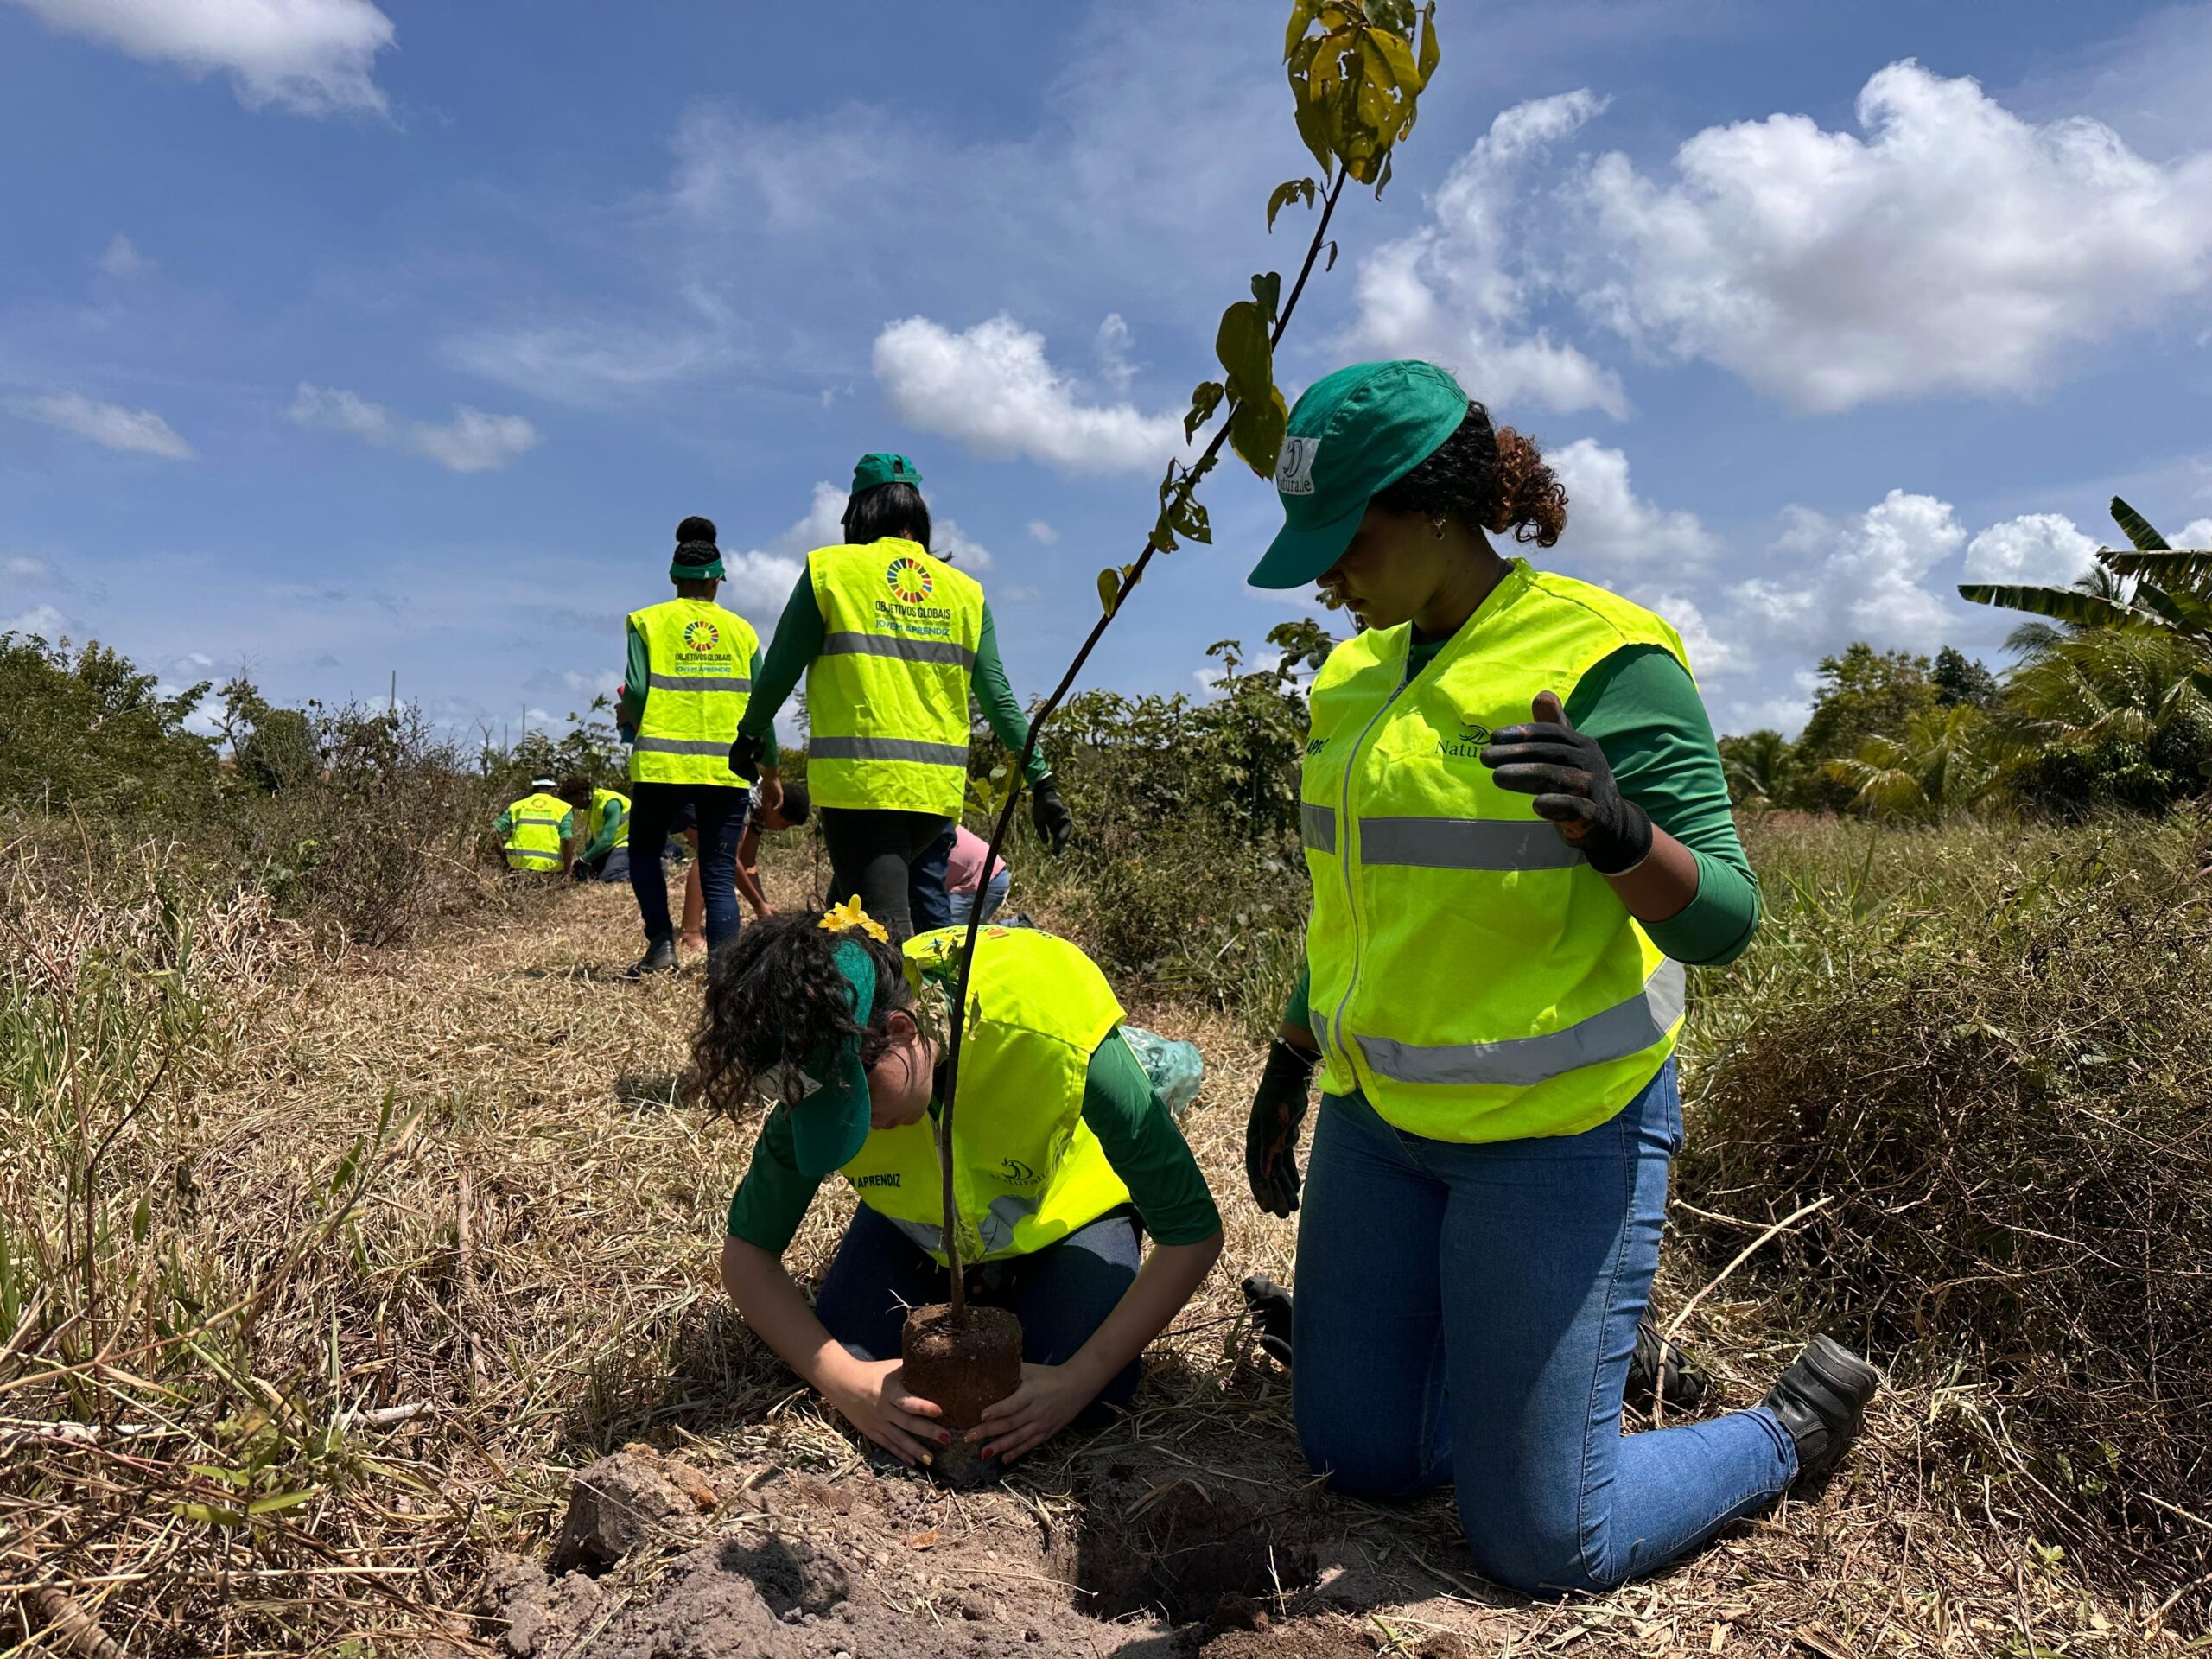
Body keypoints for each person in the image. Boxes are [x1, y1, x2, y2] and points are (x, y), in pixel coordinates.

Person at [1238, 359, 1879, 1594]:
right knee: (1358, 1455)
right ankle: (1538, 1367)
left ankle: (1780, 1435)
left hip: (1558, 1133)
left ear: (1433, 507)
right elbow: (1346, 907)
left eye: (1348, 541)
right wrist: (1289, 1057)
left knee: (1542, 1538)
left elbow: (1727, 921)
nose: (1331, 577)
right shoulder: (1351, 681)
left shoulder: (1604, 656)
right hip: (1382, 1124)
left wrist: (1622, 833)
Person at [696, 906, 1223, 1468]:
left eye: (856, 1106)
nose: (860, 1127)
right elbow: (748, 1257)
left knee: (1095, 1389)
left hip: (1070, 1209)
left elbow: (1192, 1232)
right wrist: (846, 1382)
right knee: (855, 1349)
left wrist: (1077, 1379)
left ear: (901, 1031)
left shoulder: (1051, 1034)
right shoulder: (816, 1066)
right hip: (921, 1232)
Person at [728, 454, 1071, 941]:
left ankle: (913, 1016)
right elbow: (1000, 699)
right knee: (839, 919)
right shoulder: (965, 591)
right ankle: (807, 1009)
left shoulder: (833, 571)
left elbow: (778, 670)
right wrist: (1043, 780)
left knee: (887, 936)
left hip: (863, 788)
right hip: (933, 800)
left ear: (857, 515)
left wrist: (750, 733)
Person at [617, 515, 782, 977]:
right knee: (716, 866)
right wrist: (771, 773)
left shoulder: (647, 622)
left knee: (645, 852)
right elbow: (761, 704)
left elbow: (637, 691)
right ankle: (723, 971)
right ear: (719, 581)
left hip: (661, 767)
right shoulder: (743, 632)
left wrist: (626, 716)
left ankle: (661, 945)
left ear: (673, 578)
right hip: (727, 769)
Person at [733, 779, 812, 920]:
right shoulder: (748, 801)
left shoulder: (762, 812)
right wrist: (758, 904)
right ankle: (692, 931)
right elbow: (729, 860)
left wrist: (764, 907)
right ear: (775, 806)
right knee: (713, 859)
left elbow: (747, 862)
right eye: (784, 824)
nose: (782, 830)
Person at [558, 775, 632, 884]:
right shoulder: (591, 808)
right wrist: (584, 858)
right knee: (589, 874)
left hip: (628, 844)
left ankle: (646, 870)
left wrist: (584, 859)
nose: (574, 807)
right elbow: (596, 838)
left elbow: (607, 840)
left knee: (608, 877)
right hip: (613, 847)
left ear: (581, 795)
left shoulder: (610, 803)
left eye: (573, 802)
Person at [494, 777, 574, 875]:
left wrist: (505, 861)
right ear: (553, 788)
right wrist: (567, 873)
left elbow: (492, 831)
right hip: (550, 870)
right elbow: (567, 839)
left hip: (516, 869)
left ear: (533, 788)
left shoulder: (516, 806)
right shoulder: (563, 808)